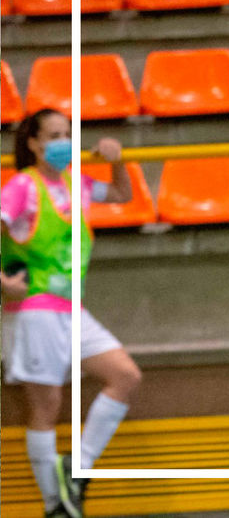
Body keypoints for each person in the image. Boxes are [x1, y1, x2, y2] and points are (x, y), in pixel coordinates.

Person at [0, 110, 142, 518]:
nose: (64, 142)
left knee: (125, 375)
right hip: (33, 311)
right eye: (55, 135)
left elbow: (121, 195)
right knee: (45, 408)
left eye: (68, 134)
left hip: (72, 310)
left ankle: (76, 472)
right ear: (33, 142)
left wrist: (116, 160)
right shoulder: (21, 187)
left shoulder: (75, 184)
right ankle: (55, 506)